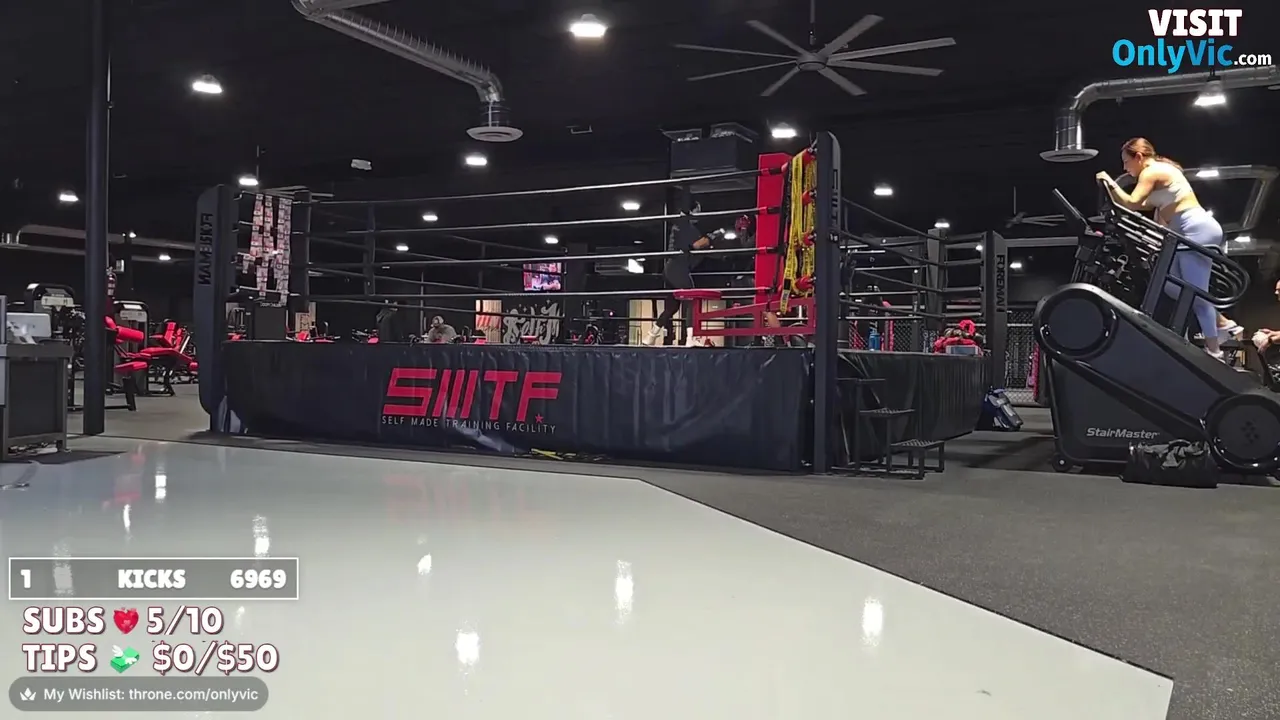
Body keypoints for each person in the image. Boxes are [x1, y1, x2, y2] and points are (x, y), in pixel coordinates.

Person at [1096, 137, 1226, 358]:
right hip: (1184, 231)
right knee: (1171, 286)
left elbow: (1132, 203)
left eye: (1126, 162)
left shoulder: (1151, 171)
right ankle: (1221, 323)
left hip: (1196, 229)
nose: (1125, 168)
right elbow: (1137, 204)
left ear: (1139, 157)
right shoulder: (1157, 174)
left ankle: (1215, 350)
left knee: (1196, 294)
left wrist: (1109, 181)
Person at [641, 202, 728, 347]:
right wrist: (714, 235)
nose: (699, 215)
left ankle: (650, 336)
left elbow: (696, 249)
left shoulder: (680, 225)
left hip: (671, 269)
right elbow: (698, 245)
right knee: (692, 300)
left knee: (672, 306)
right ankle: (690, 338)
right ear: (691, 211)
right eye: (697, 211)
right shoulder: (685, 225)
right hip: (678, 268)